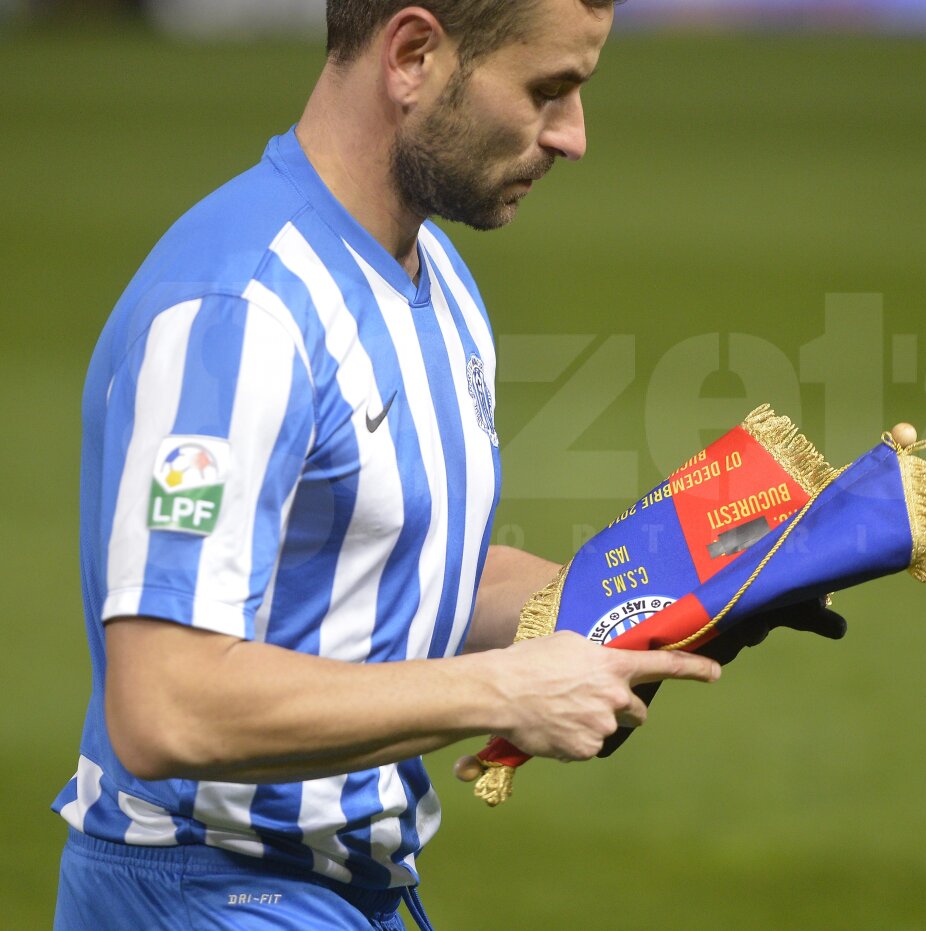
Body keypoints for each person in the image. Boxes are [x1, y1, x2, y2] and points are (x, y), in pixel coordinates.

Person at [50, 2, 726, 928]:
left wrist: (688, 593)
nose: (572, 136)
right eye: (546, 91)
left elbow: (392, 567)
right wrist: (500, 690)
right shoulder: (242, 310)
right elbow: (165, 702)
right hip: (205, 890)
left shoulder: (433, 274)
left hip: (338, 892)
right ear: (412, 55)